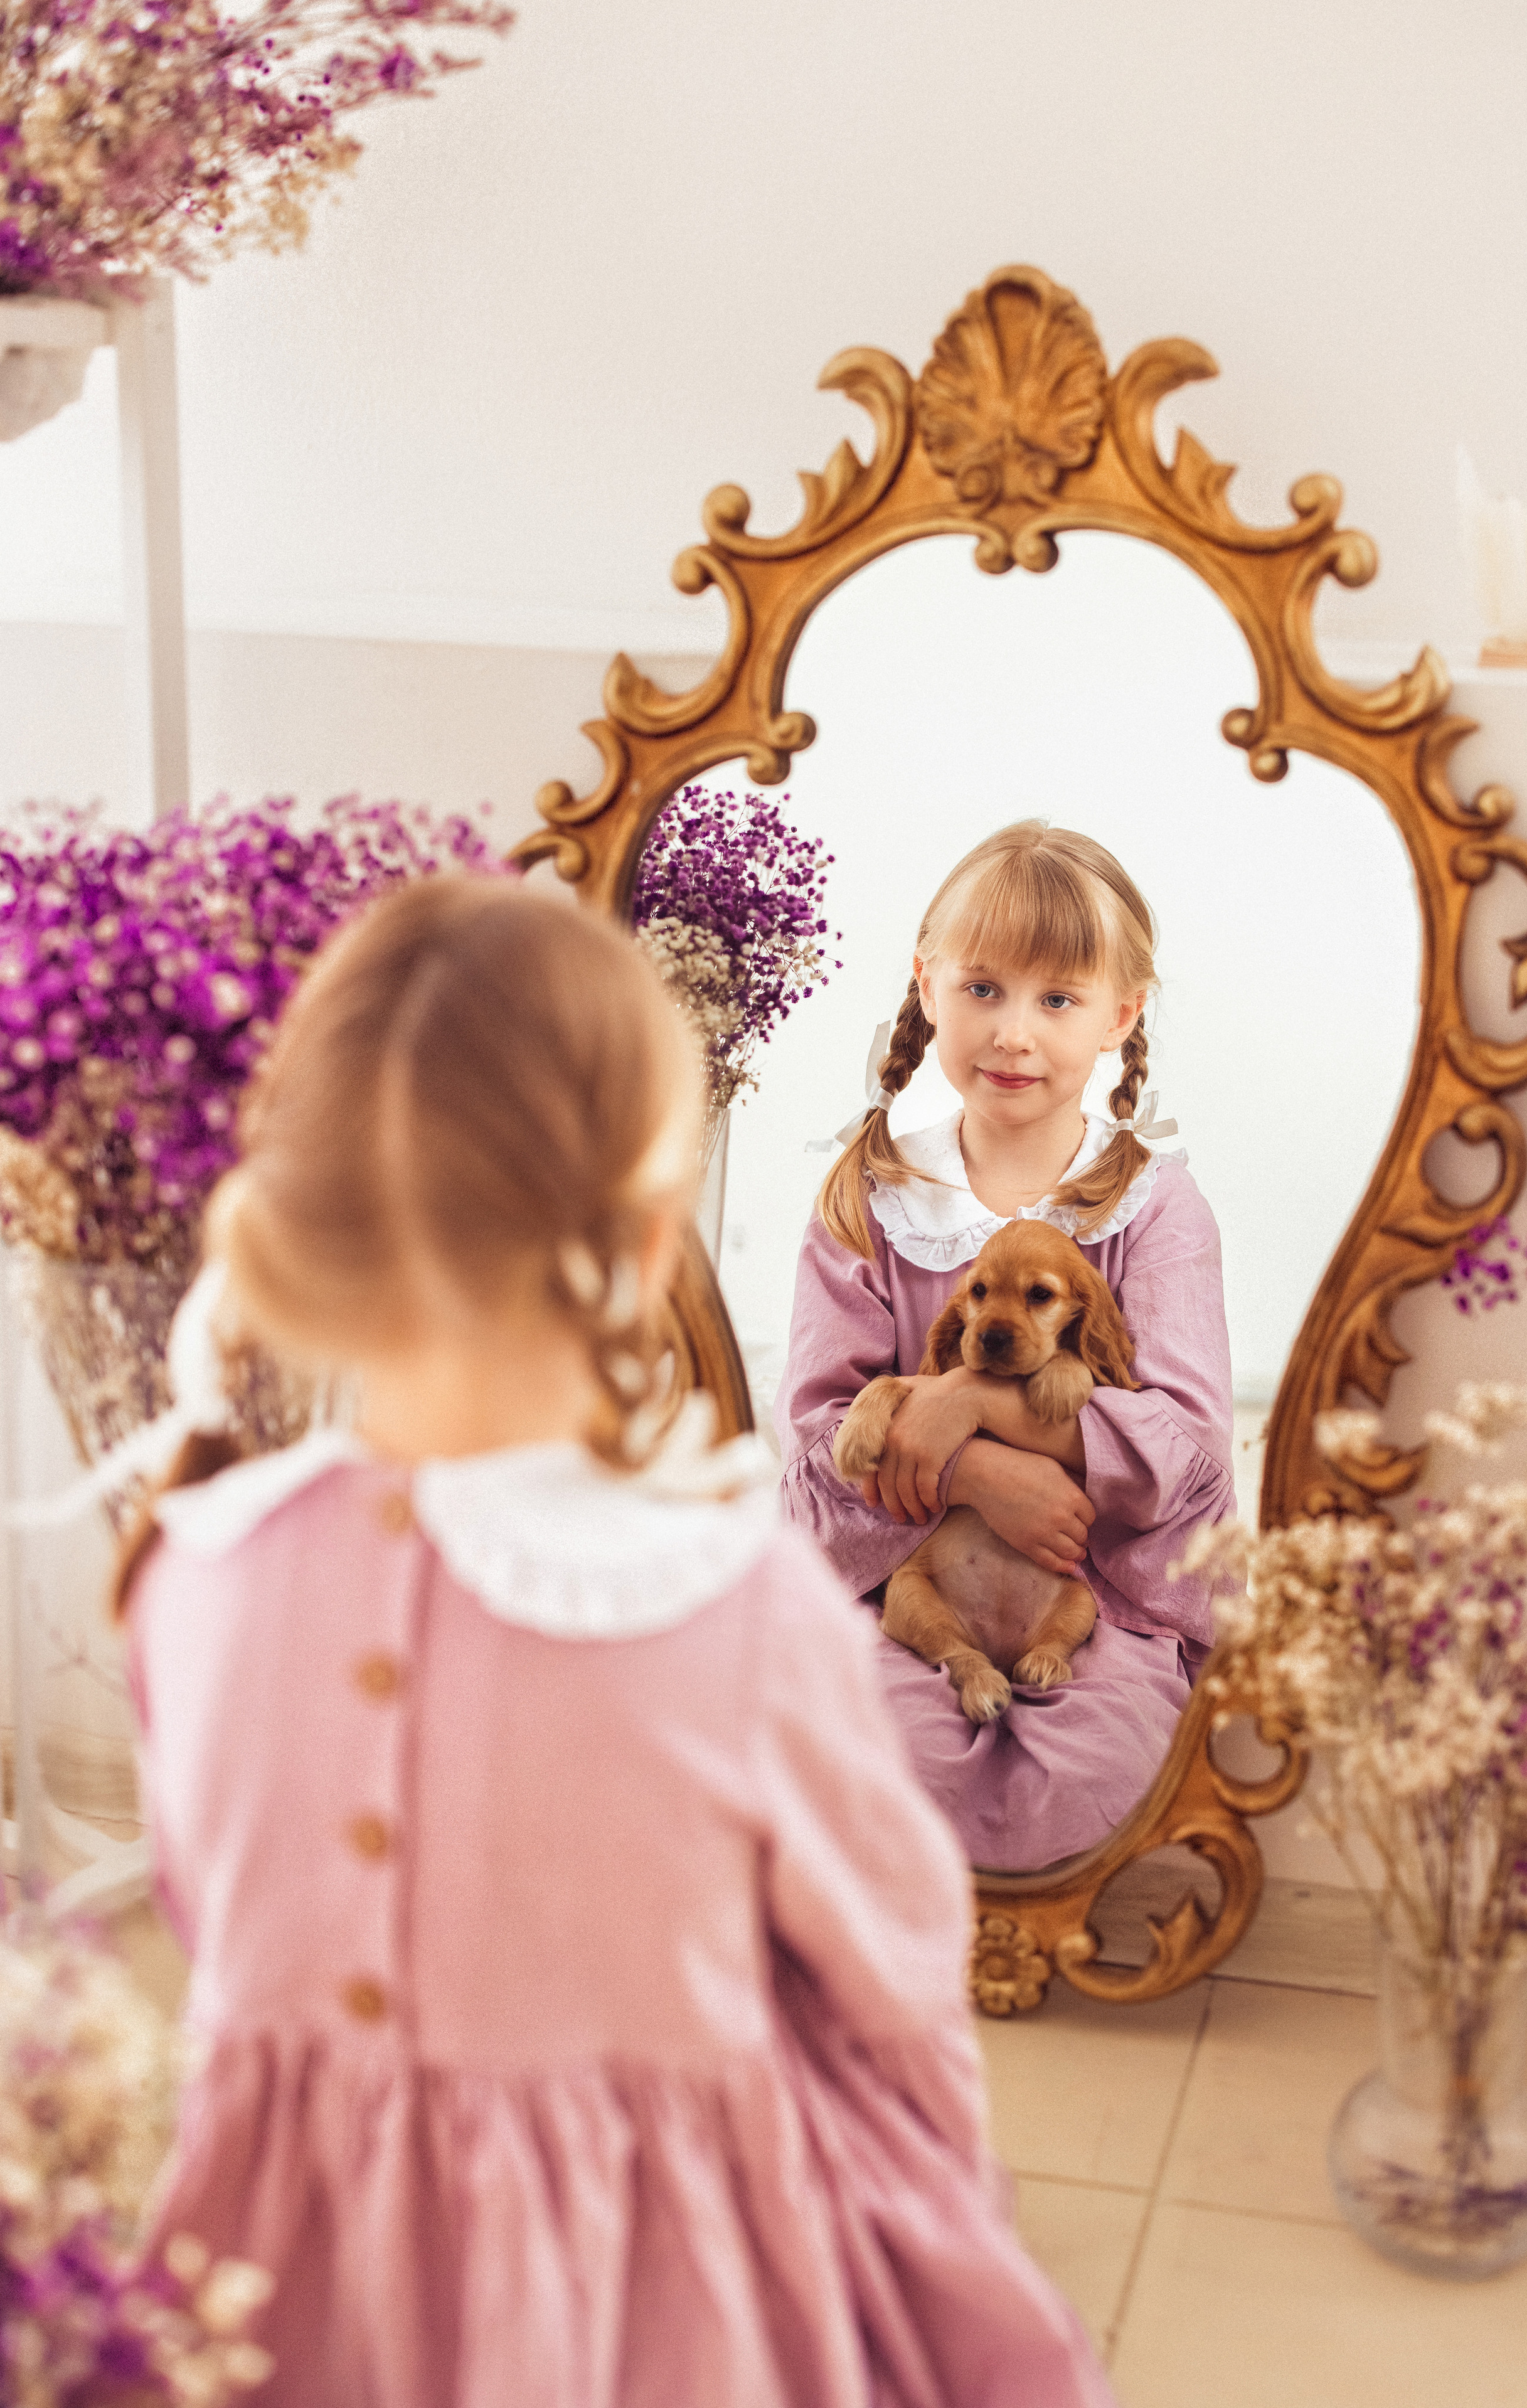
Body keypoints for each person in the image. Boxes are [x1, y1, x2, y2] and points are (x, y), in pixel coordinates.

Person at [119, 876, 1111, 2408]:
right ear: (650, 1242)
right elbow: (890, 1985)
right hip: (660, 2311)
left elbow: (217, 1926)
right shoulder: (736, 1611)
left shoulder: (189, 1574)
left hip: (271, 2302)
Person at [777, 820, 1235, 1872]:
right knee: (882, 1756)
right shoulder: (870, 1195)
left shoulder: (1156, 1211)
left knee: (1090, 1770)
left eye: (1058, 999)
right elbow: (815, 1447)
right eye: (982, 988)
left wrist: (971, 1405)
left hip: (1096, 1595)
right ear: (926, 984)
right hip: (904, 1580)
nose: (1014, 1034)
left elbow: (1193, 1454)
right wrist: (979, 1474)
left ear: (1122, 1013)